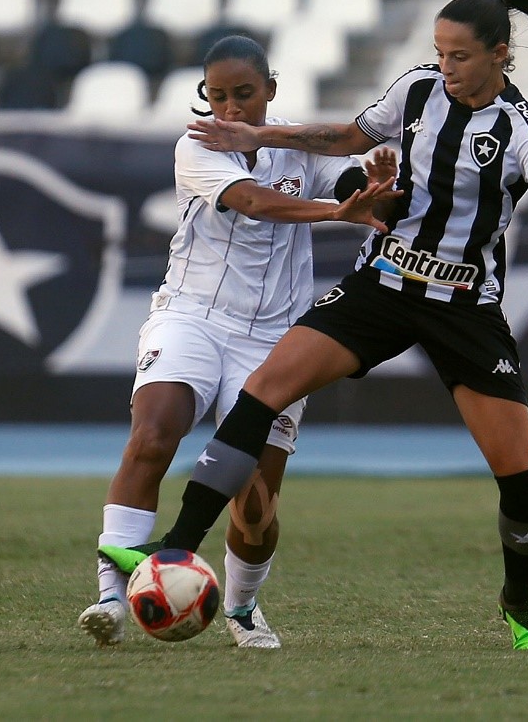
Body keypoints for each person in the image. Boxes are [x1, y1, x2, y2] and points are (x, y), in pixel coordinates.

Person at [98, 0, 528, 650]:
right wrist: (259, 137)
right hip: (383, 283)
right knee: (262, 392)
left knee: (521, 483)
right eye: (439, 52)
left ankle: (518, 596)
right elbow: (350, 138)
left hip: (463, 305)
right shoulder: (417, 89)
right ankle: (176, 545)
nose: (445, 67)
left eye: (459, 56)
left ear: (499, 55)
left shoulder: (521, 129)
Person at [78, 35, 399, 649]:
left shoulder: (295, 143)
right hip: (192, 315)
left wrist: (371, 185)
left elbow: (346, 175)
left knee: (255, 502)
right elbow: (251, 202)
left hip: (275, 338)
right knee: (154, 433)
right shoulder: (197, 145)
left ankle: (242, 607)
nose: (229, 109)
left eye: (244, 94)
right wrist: (336, 214)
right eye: (218, 95)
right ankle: (112, 597)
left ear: (270, 89)